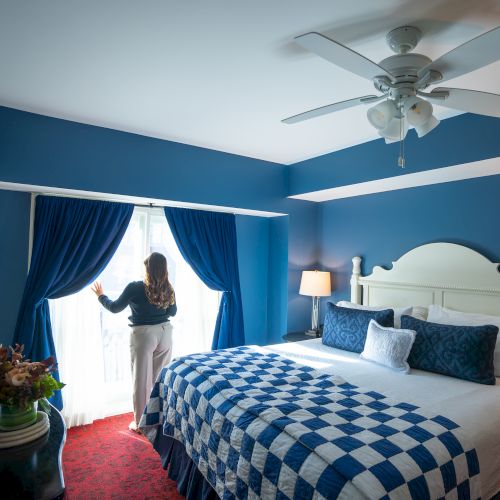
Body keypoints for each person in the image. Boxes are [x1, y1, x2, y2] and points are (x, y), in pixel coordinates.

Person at [91, 252, 177, 432]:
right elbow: (173, 312)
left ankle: (141, 424)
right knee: (160, 379)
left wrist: (101, 296)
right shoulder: (168, 288)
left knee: (141, 381)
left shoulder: (136, 287)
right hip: (165, 333)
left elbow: (114, 307)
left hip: (144, 334)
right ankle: (161, 418)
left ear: (147, 268)